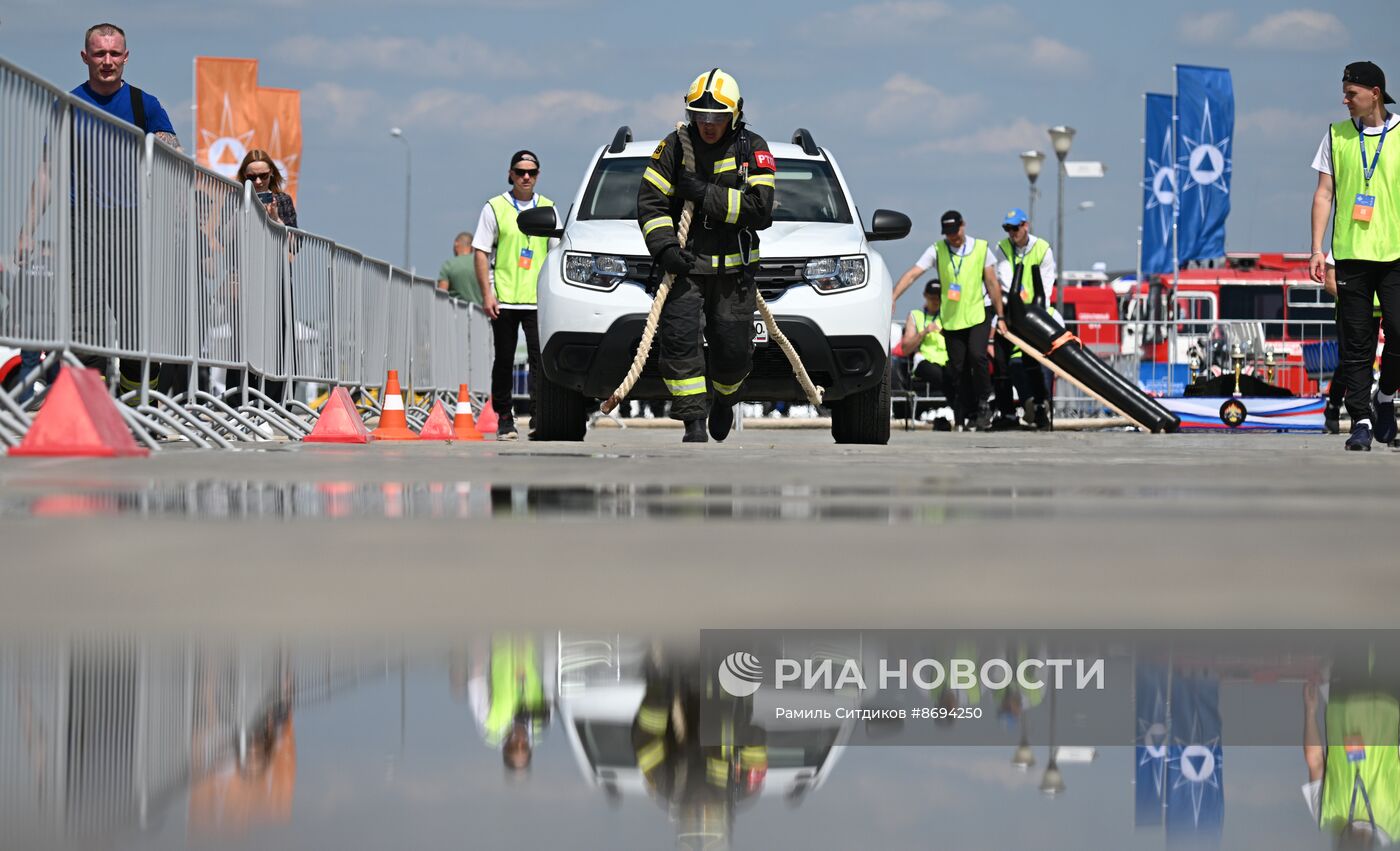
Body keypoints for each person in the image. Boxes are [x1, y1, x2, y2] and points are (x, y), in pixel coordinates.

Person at [18, 23, 182, 396]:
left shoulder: (145, 105)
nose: (107, 61)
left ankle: (138, 404)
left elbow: (174, 155)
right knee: (84, 323)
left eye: (114, 53)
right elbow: (48, 170)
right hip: (82, 222)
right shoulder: (69, 104)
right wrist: (27, 230)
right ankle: (92, 405)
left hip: (131, 223)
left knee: (135, 324)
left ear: (125, 57)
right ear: (85, 57)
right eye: (99, 53)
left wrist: (164, 144)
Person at [637, 69, 777, 444]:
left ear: (736, 113)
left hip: (735, 274)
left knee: (733, 353)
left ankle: (725, 400)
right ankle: (693, 423)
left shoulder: (753, 149)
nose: (708, 124)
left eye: (716, 117)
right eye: (700, 115)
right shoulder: (674, 148)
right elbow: (650, 204)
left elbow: (760, 211)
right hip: (686, 268)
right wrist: (666, 247)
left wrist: (704, 194)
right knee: (680, 342)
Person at [1310, 61, 1400, 452]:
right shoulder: (1336, 136)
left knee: (1398, 330)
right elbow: (1324, 194)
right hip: (1349, 255)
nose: (1344, 100)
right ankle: (1360, 420)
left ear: (1374, 94)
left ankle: (1385, 398)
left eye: (1352, 93)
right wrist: (1318, 250)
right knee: (1356, 343)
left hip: (1395, 255)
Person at [892, 211, 1005, 430]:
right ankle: (968, 410)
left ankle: (984, 402)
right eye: (948, 234)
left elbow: (992, 284)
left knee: (977, 355)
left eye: (955, 232)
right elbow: (914, 273)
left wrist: (1000, 316)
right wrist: (893, 296)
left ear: (963, 226)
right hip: (952, 317)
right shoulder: (937, 249)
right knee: (957, 367)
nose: (952, 237)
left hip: (978, 313)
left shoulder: (981, 249)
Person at [474, 151, 553, 441]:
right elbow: (481, 251)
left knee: (540, 362)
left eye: (531, 172)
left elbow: (555, 253)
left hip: (537, 300)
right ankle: (505, 419)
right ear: (510, 173)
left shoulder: (548, 207)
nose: (526, 177)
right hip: (504, 298)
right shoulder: (494, 207)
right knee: (504, 360)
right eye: (520, 172)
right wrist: (487, 294)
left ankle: (539, 416)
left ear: (538, 174)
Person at [1302, 649, 1400, 845]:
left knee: (1354, 635)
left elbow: (1315, 762)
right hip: (1389, 704)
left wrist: (1311, 712)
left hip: (1344, 702)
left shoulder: (1326, 816)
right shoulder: (1396, 822)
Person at [993, 208, 1056, 430]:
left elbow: (1047, 288)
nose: (1011, 232)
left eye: (1015, 227)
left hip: (1034, 314)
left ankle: (1040, 407)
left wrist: (1036, 317)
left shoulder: (1042, 249)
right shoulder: (1002, 248)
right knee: (1000, 363)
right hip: (1009, 313)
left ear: (1025, 226)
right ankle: (1007, 413)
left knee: (1032, 363)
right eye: (1007, 228)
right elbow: (1005, 278)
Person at [1323, 252, 1382, 435]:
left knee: (1367, 361)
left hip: (1374, 314)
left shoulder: (1383, 247)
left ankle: (1361, 414)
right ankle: (1334, 405)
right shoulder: (1341, 247)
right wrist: (1355, 299)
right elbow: (1330, 283)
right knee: (1348, 362)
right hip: (1349, 312)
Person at [898, 280, 949, 424]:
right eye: (932, 297)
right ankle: (950, 406)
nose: (935, 301)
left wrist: (943, 332)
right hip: (924, 361)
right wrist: (924, 332)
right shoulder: (915, 315)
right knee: (938, 374)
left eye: (938, 297)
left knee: (955, 373)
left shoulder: (947, 317)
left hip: (946, 360)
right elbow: (905, 348)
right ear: (925, 296)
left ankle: (954, 410)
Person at [437, 231, 482, 305]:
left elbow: (441, 294)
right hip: (481, 313)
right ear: (472, 247)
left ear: (456, 244)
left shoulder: (449, 265)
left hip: (456, 314)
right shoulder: (482, 264)